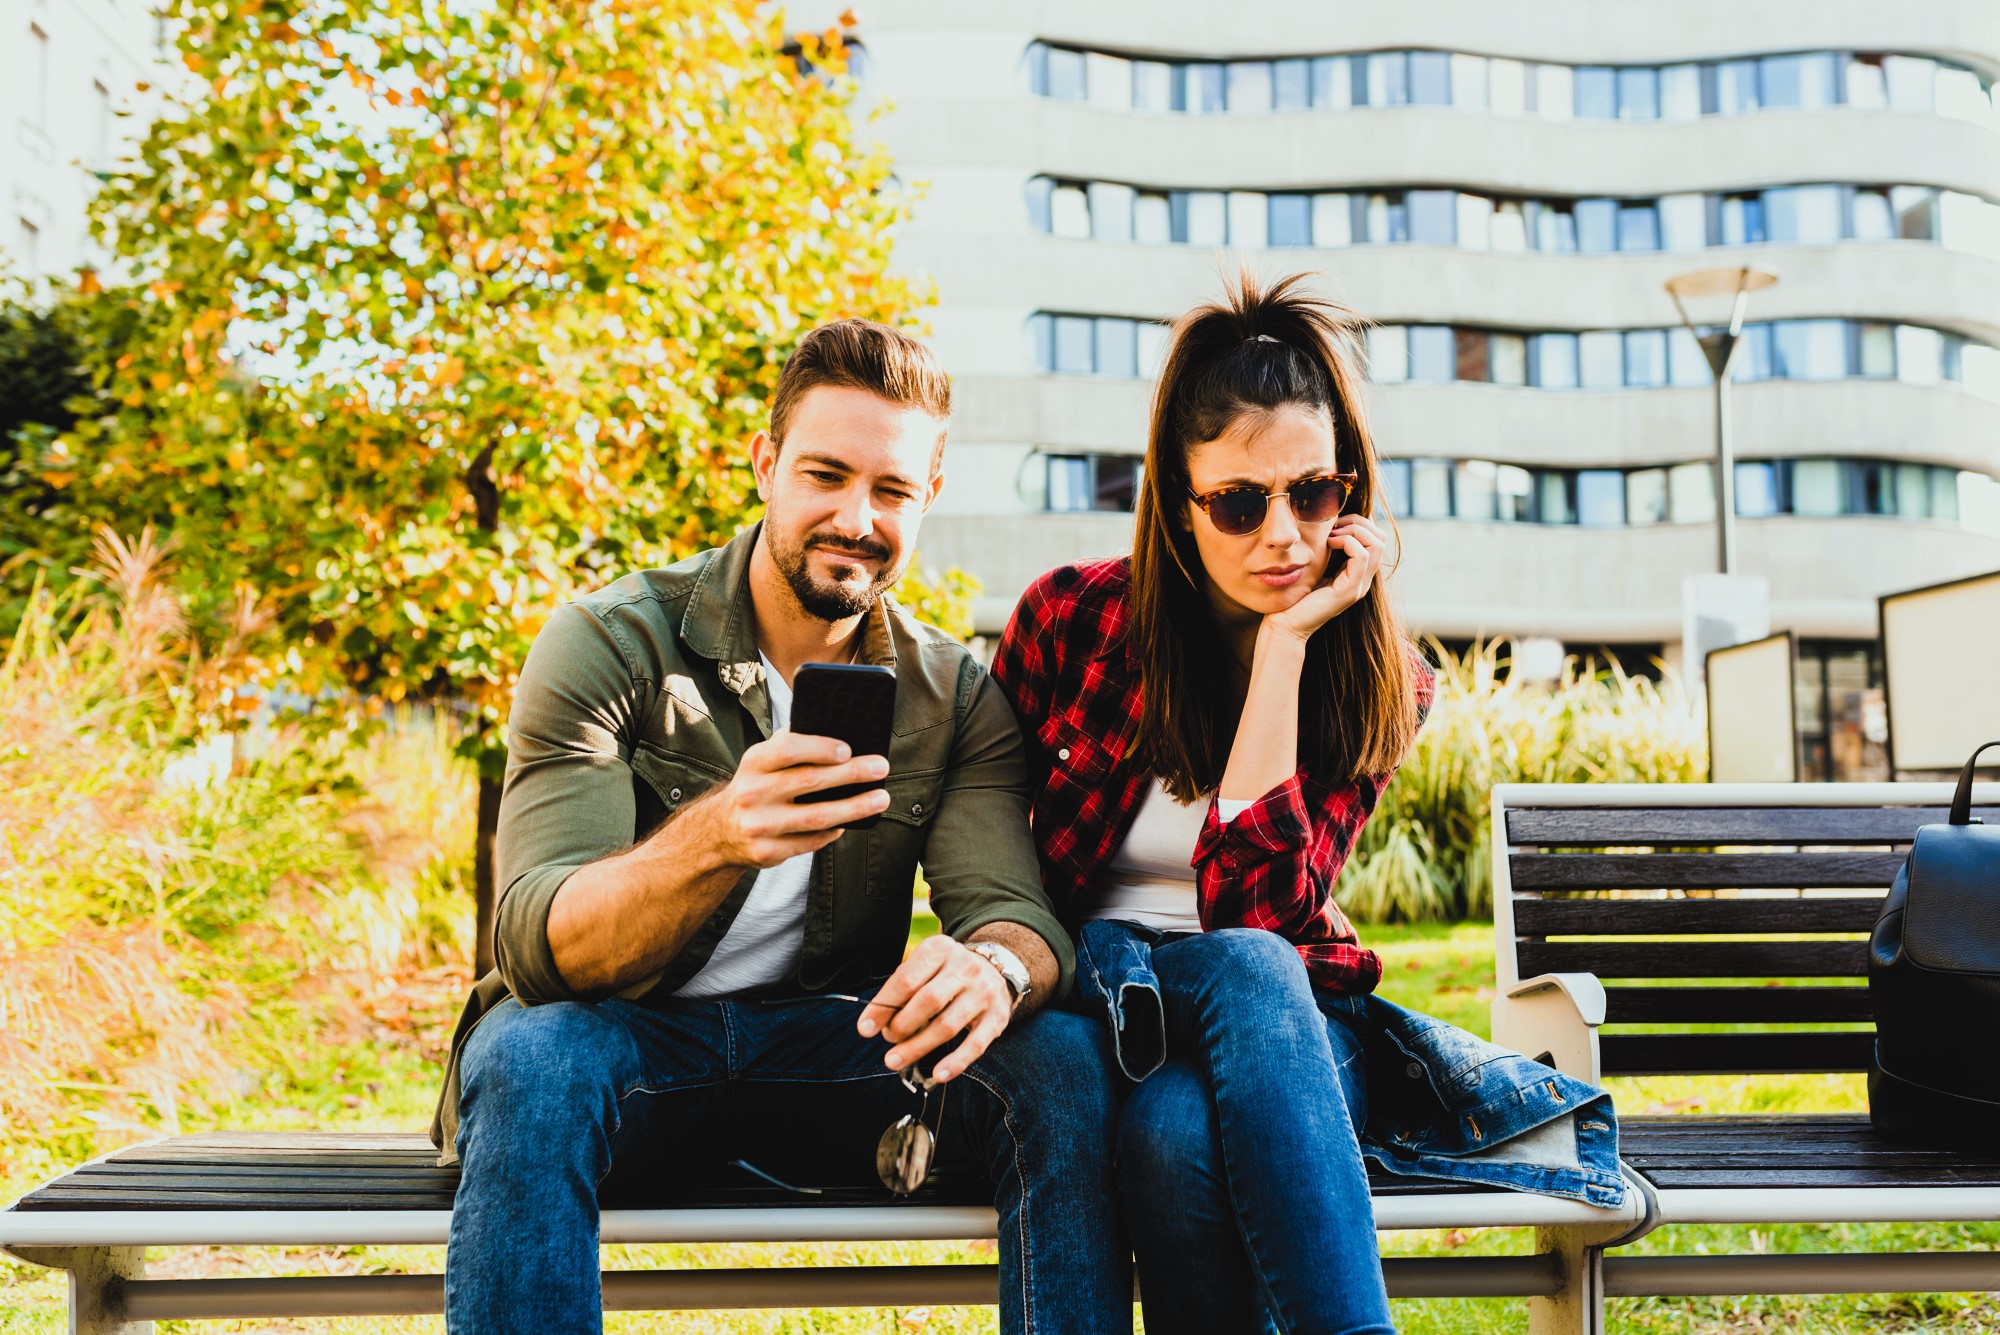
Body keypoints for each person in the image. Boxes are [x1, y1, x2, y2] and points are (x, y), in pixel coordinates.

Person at [433, 318, 1129, 1335]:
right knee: (533, 1056)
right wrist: (717, 835)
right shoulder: (608, 642)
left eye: (891, 490)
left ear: (928, 496)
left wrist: (996, 970)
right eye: (824, 476)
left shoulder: (951, 695)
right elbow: (536, 946)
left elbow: (1016, 917)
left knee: (1059, 1061)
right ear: (765, 466)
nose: (855, 517)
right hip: (614, 1048)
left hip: (824, 1050)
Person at [995, 272, 1622, 1335]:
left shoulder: (1378, 675)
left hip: (1284, 1024)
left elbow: (1254, 912)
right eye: (1238, 504)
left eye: (1313, 494)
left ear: (1350, 492)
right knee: (1228, 988)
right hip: (1103, 1006)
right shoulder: (1071, 620)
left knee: (1179, 1122)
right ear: (1175, 498)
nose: (1280, 535)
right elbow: (993, 866)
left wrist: (1284, 651)